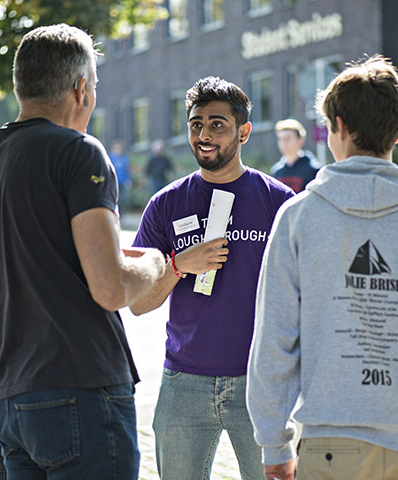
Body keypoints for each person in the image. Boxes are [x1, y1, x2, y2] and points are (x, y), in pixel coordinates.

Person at [247, 55, 398, 480]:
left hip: (331, 444)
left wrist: (274, 443)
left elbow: (274, 342)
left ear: (339, 128)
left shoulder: (298, 218)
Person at [0, 24, 165, 479]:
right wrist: (151, 262)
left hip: (11, 399)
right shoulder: (80, 152)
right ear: (81, 88)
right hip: (83, 388)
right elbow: (111, 288)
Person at [129, 76, 294, 479]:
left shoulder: (280, 204)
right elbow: (137, 303)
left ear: (244, 131)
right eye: (195, 124)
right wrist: (178, 265)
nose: (203, 134)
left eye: (217, 124)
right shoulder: (164, 204)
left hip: (259, 384)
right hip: (183, 381)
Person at [270, 118, 320, 193]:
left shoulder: (313, 170)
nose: (283, 143)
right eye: (280, 139)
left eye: (287, 138)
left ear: (300, 140)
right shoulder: (276, 172)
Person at [109, 140, 132, 215]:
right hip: (114, 182)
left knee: (125, 198)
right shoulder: (110, 158)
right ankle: (115, 213)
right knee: (115, 199)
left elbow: (127, 169)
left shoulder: (124, 158)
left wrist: (128, 180)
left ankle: (121, 212)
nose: (118, 150)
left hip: (123, 182)